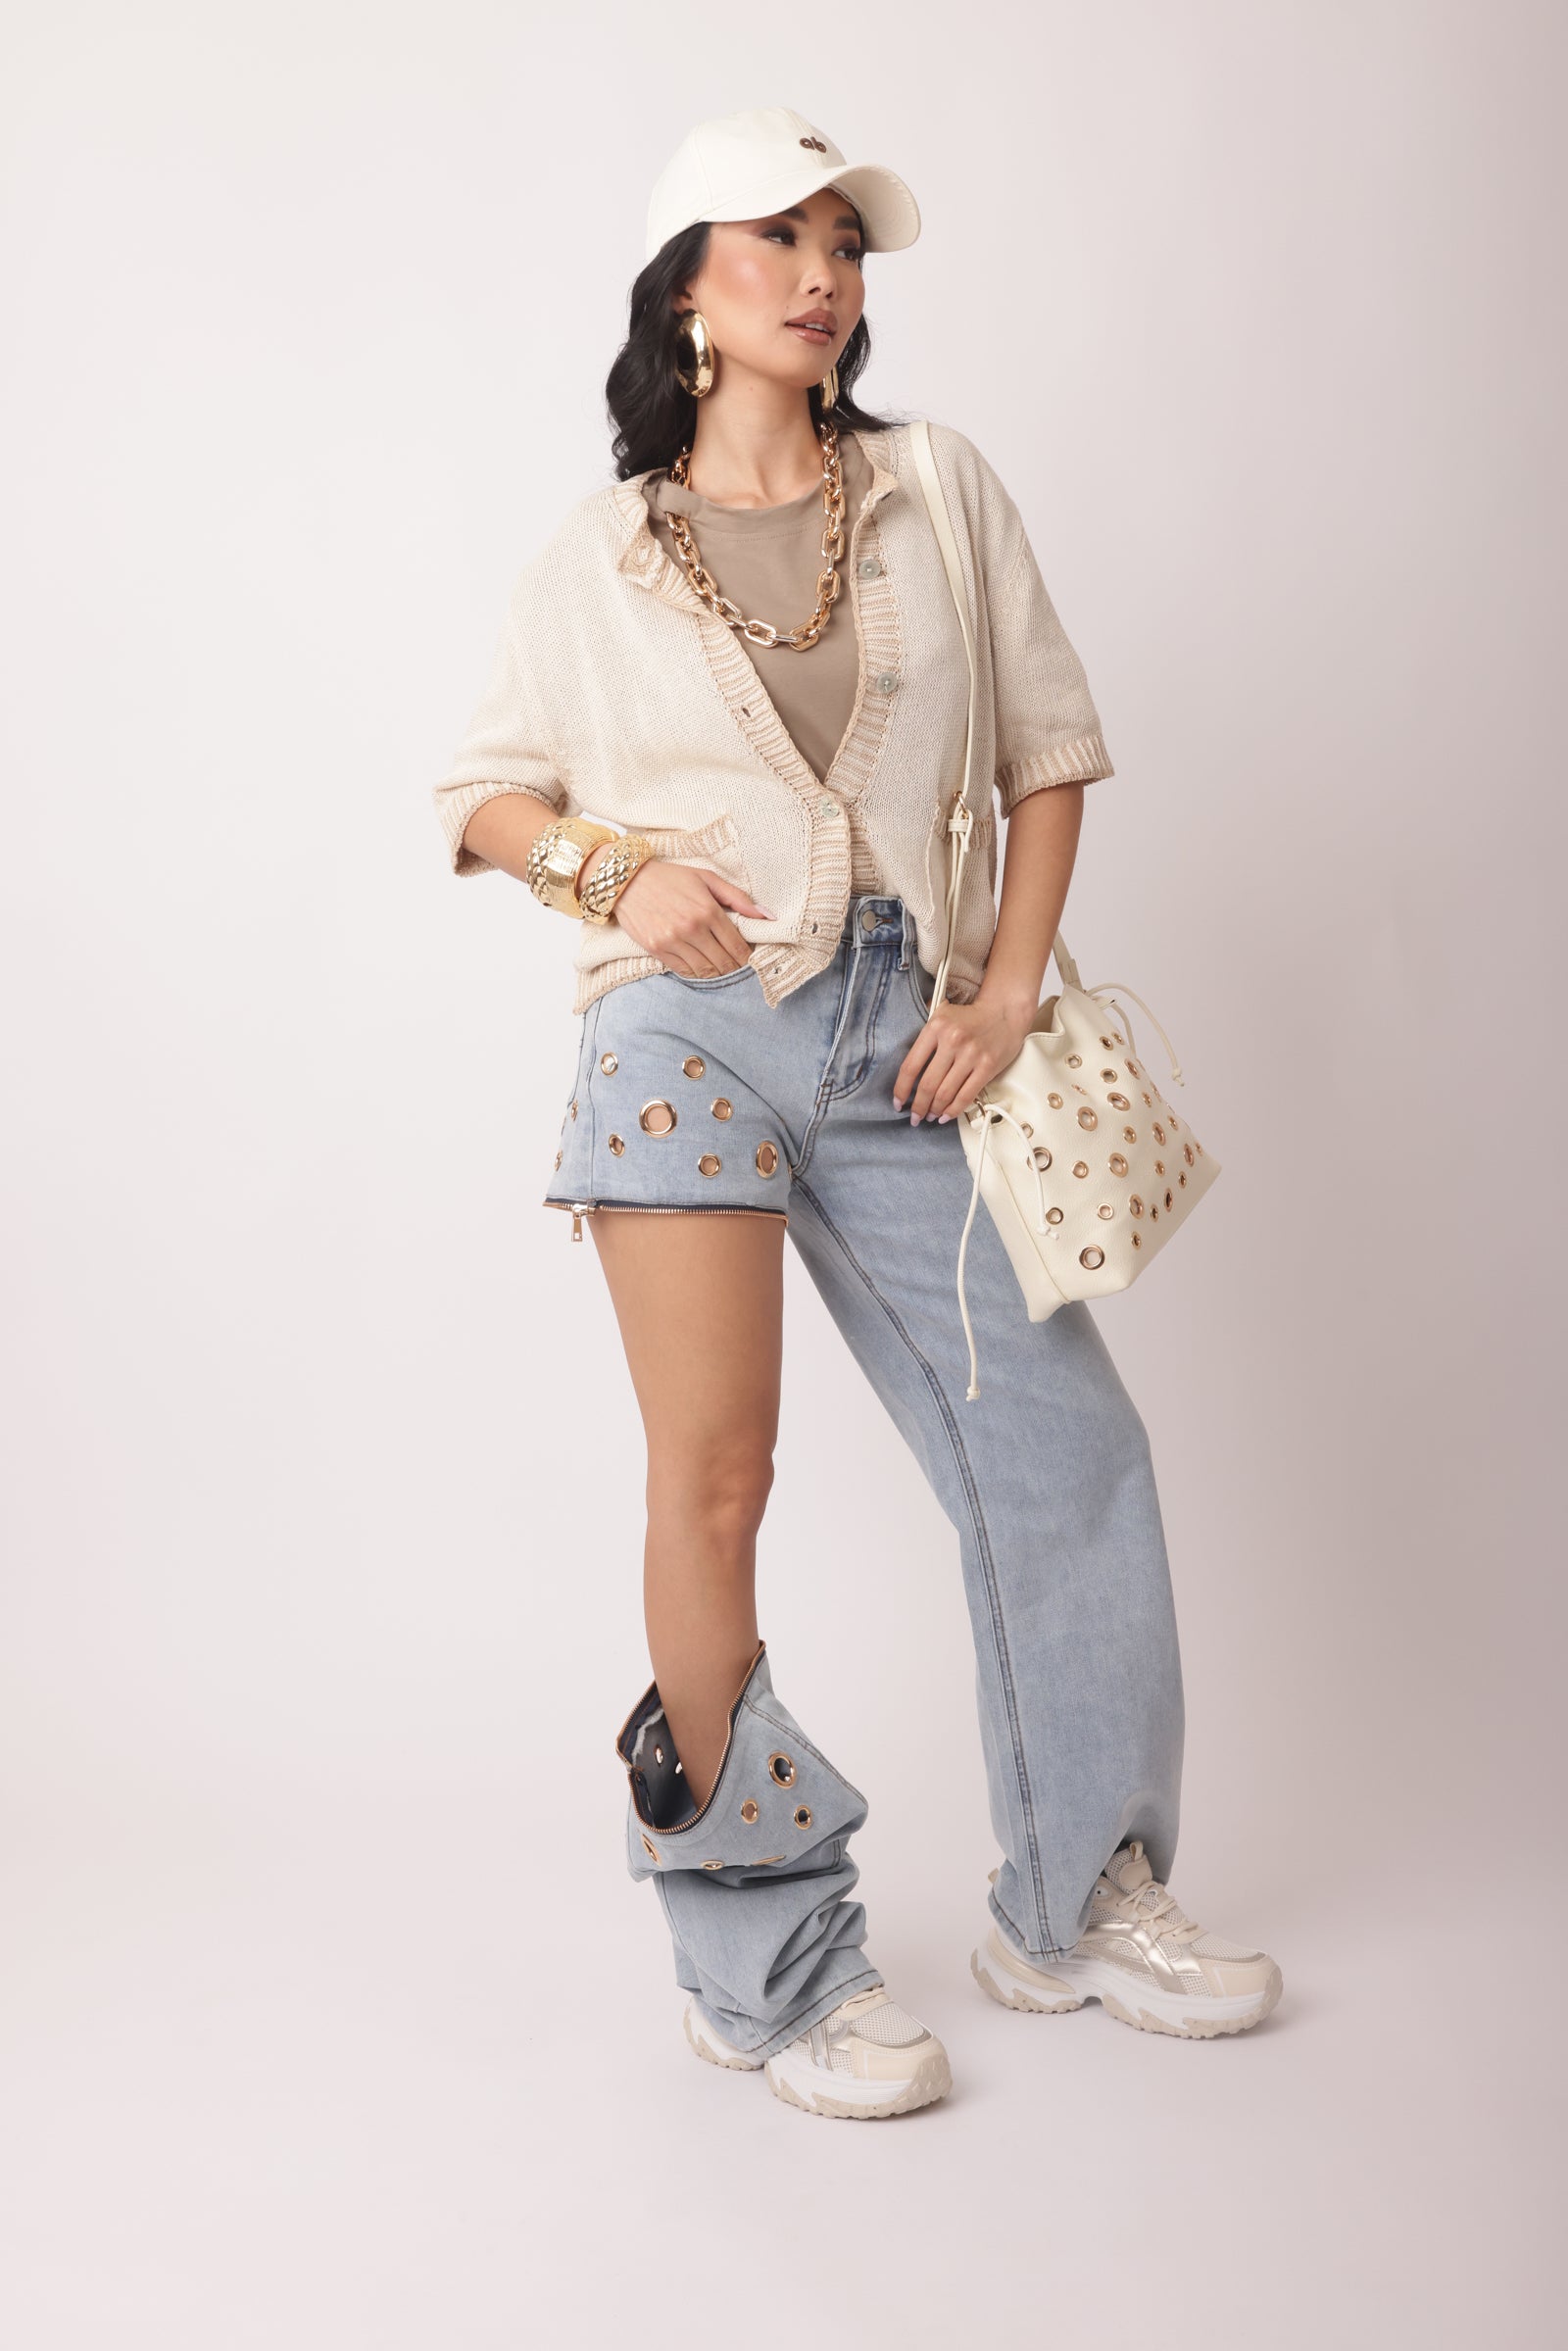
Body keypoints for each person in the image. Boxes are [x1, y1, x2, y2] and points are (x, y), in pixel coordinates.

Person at [431, 105, 1282, 2120]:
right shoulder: (595, 557)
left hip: (911, 1034)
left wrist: (1003, 991)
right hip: (684, 1043)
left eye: (845, 244)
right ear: (688, 295)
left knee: (1064, 1449)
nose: (824, 274)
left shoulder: (935, 492)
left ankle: (1076, 1896)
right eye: (780, 240)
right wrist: (613, 875)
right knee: (717, 1483)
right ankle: (769, 1963)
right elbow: (482, 797)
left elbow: (1047, 754)